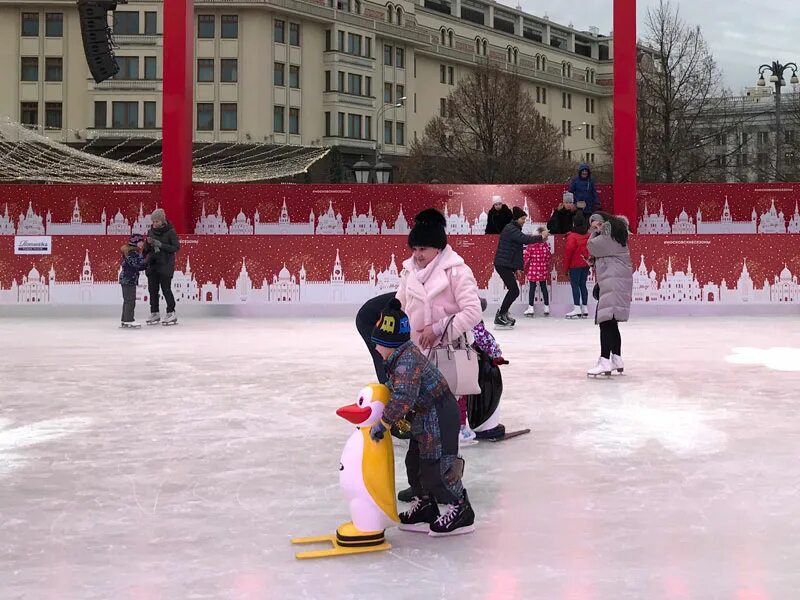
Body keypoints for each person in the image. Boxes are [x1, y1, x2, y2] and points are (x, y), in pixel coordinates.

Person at [369, 299, 475, 537]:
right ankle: (426, 505)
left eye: (378, 344)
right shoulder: (398, 358)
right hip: (424, 416)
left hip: (438, 414)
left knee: (436, 465)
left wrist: (384, 423)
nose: (376, 349)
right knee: (414, 462)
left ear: (391, 344)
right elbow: (396, 390)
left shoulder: (406, 361)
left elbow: (404, 397)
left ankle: (461, 508)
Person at [586, 212, 633, 377]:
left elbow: (591, 245)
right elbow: (605, 255)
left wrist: (595, 231)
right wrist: (595, 261)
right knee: (612, 323)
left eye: (597, 223)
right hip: (616, 283)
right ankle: (617, 358)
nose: (595, 227)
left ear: (605, 222)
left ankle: (605, 360)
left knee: (605, 322)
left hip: (612, 283)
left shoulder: (608, 233)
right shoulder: (617, 235)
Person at [493, 206, 548, 327]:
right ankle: (500, 315)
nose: (524, 221)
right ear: (517, 218)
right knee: (514, 290)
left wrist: (517, 268)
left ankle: (503, 313)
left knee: (514, 290)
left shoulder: (514, 228)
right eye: (523, 218)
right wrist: (541, 237)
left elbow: (517, 250)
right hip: (502, 264)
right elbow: (525, 239)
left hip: (506, 264)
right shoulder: (511, 229)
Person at [143, 209, 181, 325]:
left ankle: (171, 312)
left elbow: (175, 247)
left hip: (165, 265)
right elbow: (146, 250)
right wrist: (148, 244)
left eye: (157, 221)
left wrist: (161, 245)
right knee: (153, 290)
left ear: (162, 220)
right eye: (153, 221)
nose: (155, 224)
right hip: (153, 265)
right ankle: (154, 313)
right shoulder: (151, 231)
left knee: (166, 289)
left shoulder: (170, 232)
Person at [563, 213, 592, 319]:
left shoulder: (572, 237)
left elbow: (568, 253)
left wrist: (565, 269)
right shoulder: (588, 235)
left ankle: (576, 308)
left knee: (575, 285)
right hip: (585, 264)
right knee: (583, 285)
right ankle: (585, 307)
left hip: (575, 265)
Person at [119, 234, 148, 328]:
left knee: (128, 300)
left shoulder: (133, 252)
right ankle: (128, 320)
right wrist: (148, 261)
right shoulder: (132, 253)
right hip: (128, 279)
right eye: (140, 241)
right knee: (130, 300)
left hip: (128, 279)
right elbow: (137, 265)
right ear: (135, 242)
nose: (142, 243)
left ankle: (125, 319)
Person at [522, 226, 551, 317]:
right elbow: (548, 257)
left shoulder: (531, 245)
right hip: (543, 269)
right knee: (543, 287)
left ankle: (531, 307)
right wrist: (544, 264)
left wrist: (523, 266)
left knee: (532, 288)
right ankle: (546, 307)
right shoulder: (545, 245)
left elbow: (526, 257)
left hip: (533, 268)